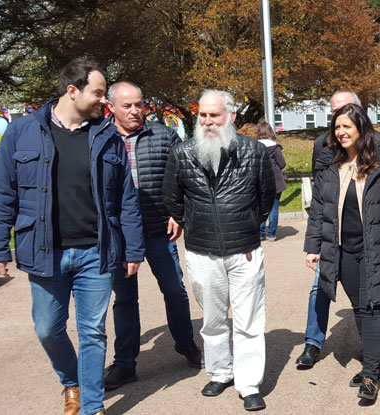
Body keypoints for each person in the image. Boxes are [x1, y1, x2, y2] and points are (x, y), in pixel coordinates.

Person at [0, 59, 144, 415]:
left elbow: (126, 198)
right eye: (98, 93)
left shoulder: (107, 136)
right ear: (72, 90)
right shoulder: (22, 132)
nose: (103, 100)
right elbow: (2, 194)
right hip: (45, 252)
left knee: (93, 332)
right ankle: (72, 382)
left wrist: (133, 249)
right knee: (47, 329)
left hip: (95, 252)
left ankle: (91, 406)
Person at [162, 89, 275, 411]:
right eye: (203, 115)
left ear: (231, 116)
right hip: (202, 251)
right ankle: (220, 372)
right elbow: (172, 197)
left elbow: (266, 197)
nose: (208, 121)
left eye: (214, 114)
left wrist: (247, 223)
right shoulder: (182, 152)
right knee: (212, 320)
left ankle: (249, 384)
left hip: (244, 250)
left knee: (248, 321)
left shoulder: (254, 151)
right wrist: (194, 223)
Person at [303, 103, 380, 402]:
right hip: (341, 249)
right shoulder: (330, 167)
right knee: (358, 306)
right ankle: (375, 363)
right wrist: (312, 246)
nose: (341, 132)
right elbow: (319, 211)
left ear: (361, 129)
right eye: (337, 127)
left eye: (346, 127)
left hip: (374, 247)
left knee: (372, 306)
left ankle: (370, 374)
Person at [102, 81, 201, 391]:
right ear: (111, 108)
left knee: (175, 290)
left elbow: (184, 176)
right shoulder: (99, 138)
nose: (135, 111)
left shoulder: (163, 135)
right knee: (125, 299)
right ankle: (125, 364)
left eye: (139, 104)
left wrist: (177, 213)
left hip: (159, 229)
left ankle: (185, 343)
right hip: (119, 235)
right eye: (127, 106)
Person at [295, 90, 380, 369]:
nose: (340, 127)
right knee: (321, 287)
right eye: (334, 115)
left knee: (367, 300)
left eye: (346, 112)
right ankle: (313, 342)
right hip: (333, 236)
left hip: (366, 239)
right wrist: (314, 244)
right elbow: (321, 197)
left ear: (359, 112)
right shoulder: (323, 144)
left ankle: (371, 357)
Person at [257, 121, 286, 241]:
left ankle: (260, 233)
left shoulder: (255, 147)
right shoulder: (275, 148)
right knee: (274, 208)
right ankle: (272, 234)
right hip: (276, 181)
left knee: (261, 207)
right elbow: (282, 164)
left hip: (260, 181)